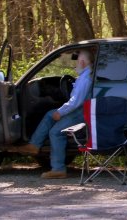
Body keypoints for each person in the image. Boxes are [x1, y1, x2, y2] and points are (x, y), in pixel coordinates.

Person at [16, 48, 94, 179]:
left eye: (77, 61)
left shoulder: (86, 79)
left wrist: (60, 112)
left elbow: (75, 102)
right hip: (80, 109)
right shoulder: (85, 75)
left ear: (82, 62)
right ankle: (34, 145)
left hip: (81, 112)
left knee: (56, 132)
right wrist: (58, 111)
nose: (75, 64)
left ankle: (58, 169)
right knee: (49, 114)